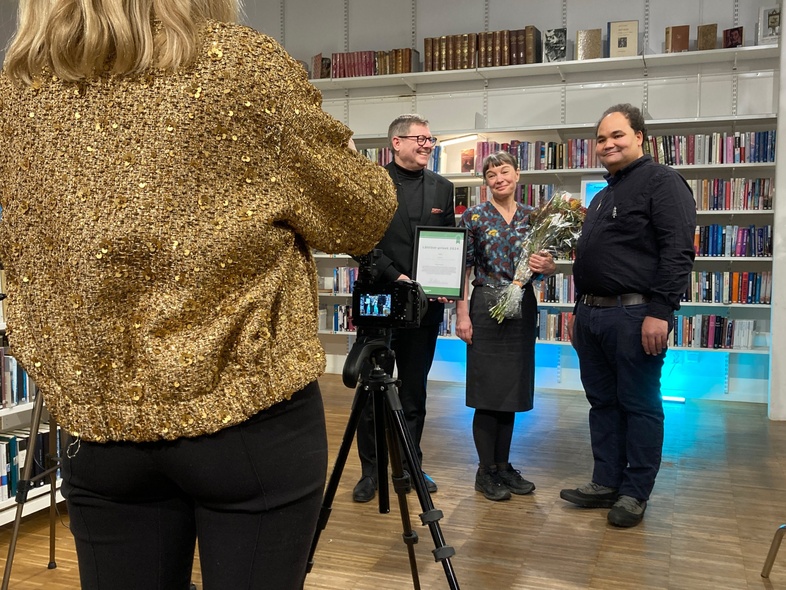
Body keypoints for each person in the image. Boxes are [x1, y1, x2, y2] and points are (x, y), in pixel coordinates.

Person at [0, 2, 398, 589]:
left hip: (99, 425)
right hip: (245, 414)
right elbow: (361, 214)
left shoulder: (21, 91)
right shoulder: (237, 65)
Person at [560, 104, 696, 527]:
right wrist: (579, 308)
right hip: (592, 316)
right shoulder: (602, 197)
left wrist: (661, 311)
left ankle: (635, 493)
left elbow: (678, 251)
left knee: (639, 405)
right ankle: (606, 481)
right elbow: (594, 257)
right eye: (601, 139)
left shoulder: (663, 182)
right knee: (602, 403)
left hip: (636, 316)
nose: (608, 144)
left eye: (617, 135)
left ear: (640, 136)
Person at [352, 114, 455, 503]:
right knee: (371, 391)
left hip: (423, 306)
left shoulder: (443, 188)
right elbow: (358, 241)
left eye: (431, 139)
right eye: (421, 139)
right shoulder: (372, 185)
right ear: (396, 143)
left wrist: (445, 281)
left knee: (414, 391)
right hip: (379, 299)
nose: (428, 145)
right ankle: (371, 473)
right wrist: (395, 276)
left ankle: (411, 464)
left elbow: (446, 242)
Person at [455, 151, 556, 501]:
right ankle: (486, 471)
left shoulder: (534, 217)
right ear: (485, 182)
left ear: (517, 175)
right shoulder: (473, 216)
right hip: (485, 304)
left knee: (511, 392)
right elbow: (462, 269)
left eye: (505, 171)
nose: (499, 178)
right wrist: (462, 314)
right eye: (492, 174)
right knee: (488, 392)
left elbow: (544, 263)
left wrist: (548, 265)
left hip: (522, 304)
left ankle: (503, 465)